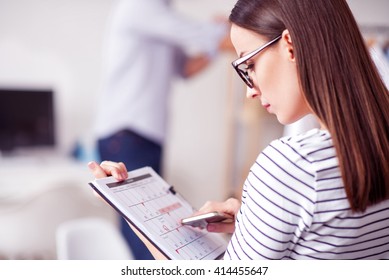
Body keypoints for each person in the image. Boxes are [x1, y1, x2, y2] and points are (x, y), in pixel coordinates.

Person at [89, 0, 389, 259]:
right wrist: (258, 220)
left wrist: (136, 215)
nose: (251, 92)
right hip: (126, 131)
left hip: (138, 132)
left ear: (291, 46)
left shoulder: (289, 166)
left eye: (250, 65)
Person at [93, 0, 232, 260]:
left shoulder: (163, 13)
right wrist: (239, 31)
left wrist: (219, 41)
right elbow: (216, 37)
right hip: (126, 134)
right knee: (147, 235)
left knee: (150, 231)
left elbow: (185, 69)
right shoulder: (141, 6)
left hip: (145, 136)